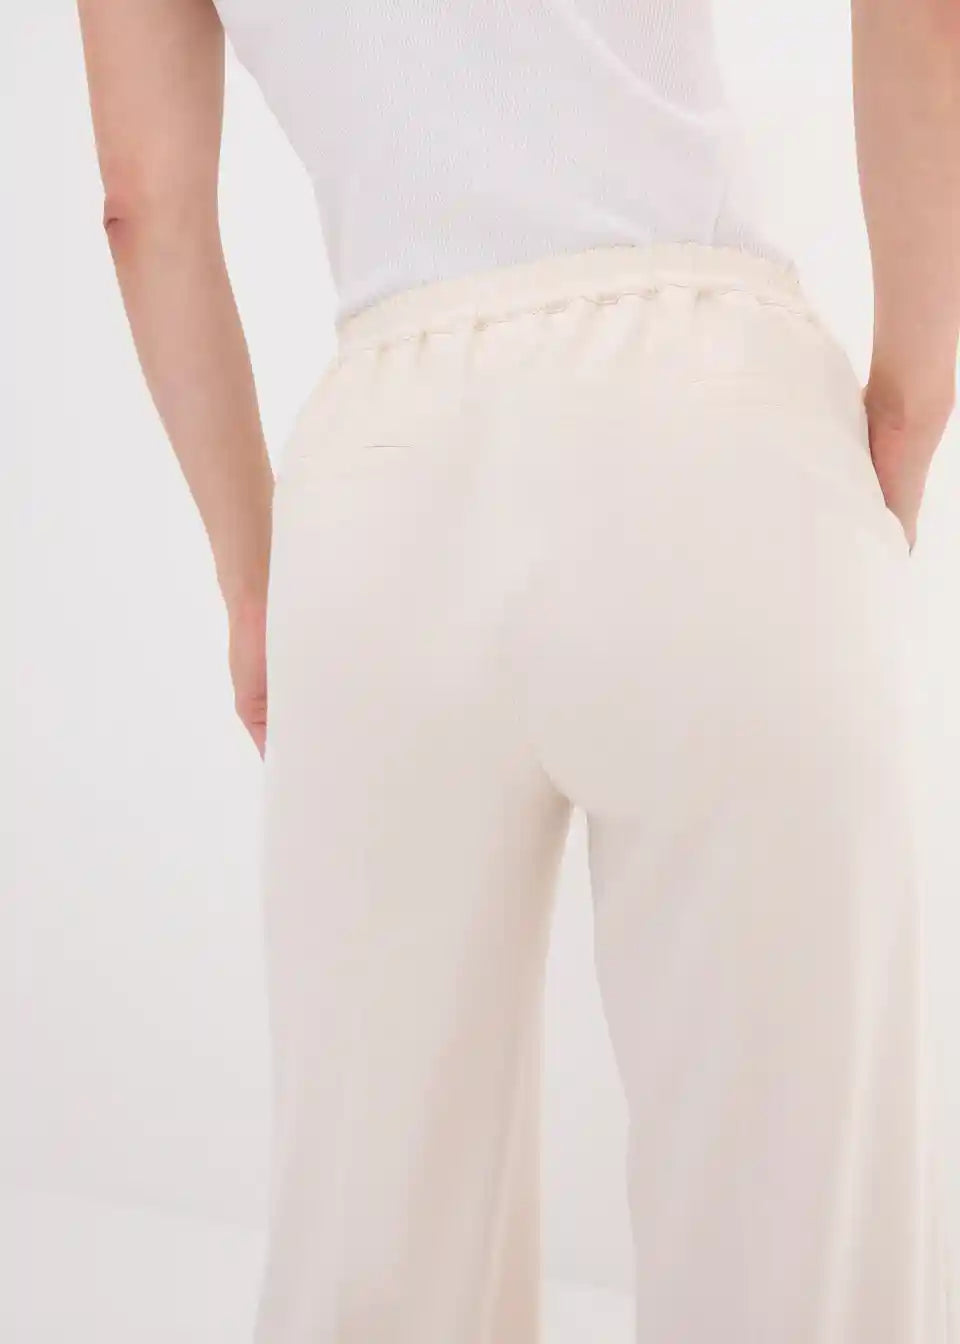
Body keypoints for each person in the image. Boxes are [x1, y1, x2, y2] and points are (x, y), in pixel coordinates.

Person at [76, 2, 958, 1341]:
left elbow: (143, 204)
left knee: (372, 1221)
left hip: (378, 477)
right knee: (790, 1224)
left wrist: (255, 574)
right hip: (715, 415)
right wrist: (913, 394)